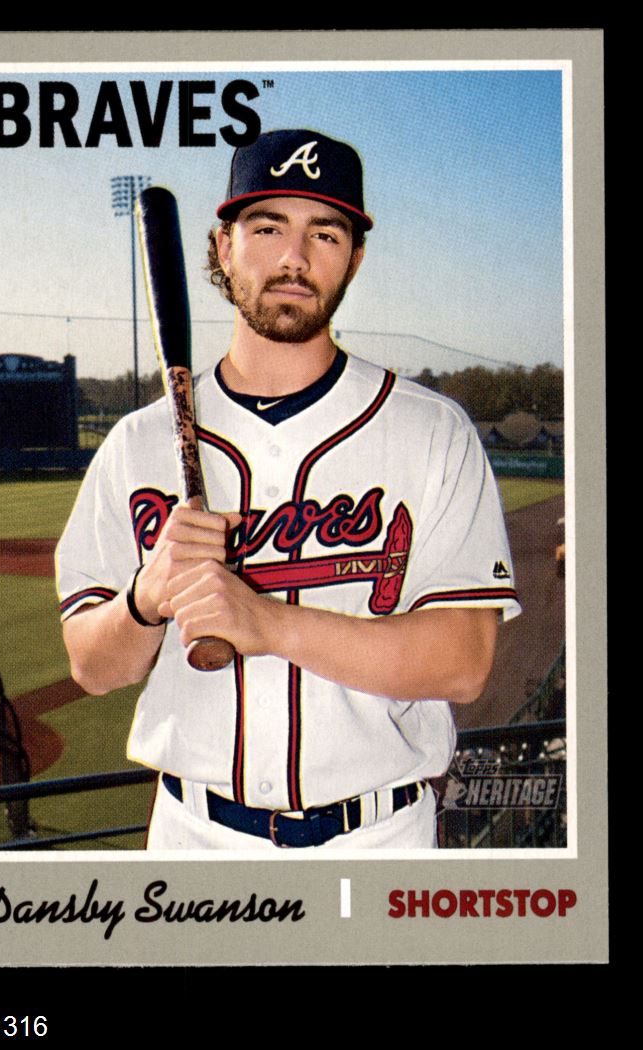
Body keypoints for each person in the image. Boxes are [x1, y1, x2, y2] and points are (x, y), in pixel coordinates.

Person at [56, 129, 521, 850]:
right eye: (267, 228)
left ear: (354, 258)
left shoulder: (431, 430)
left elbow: (462, 662)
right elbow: (91, 665)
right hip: (193, 838)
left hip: (378, 838)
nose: (294, 258)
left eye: (324, 233)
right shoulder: (137, 443)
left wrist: (265, 622)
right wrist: (147, 595)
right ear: (223, 247)